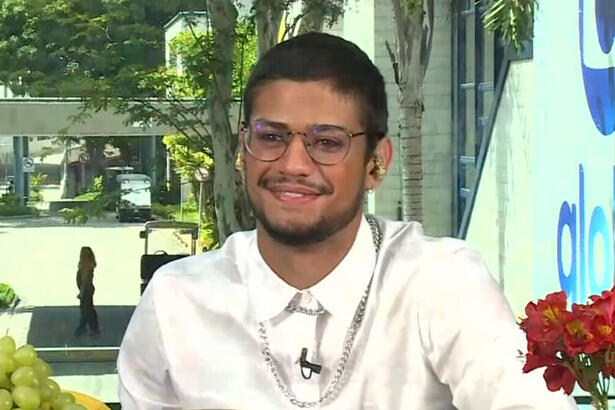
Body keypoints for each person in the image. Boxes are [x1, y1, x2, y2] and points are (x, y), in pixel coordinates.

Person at [117, 33, 576, 409]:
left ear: (376, 163)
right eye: (271, 136)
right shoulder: (177, 301)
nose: (293, 163)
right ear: (243, 151)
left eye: (327, 142)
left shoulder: (439, 283)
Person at [74, 246, 100, 337]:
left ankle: (87, 328)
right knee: (87, 308)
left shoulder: (86, 267)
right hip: (88, 290)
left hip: (86, 290)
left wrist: (81, 292)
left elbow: (84, 281)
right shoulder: (88, 266)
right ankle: (87, 327)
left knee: (87, 309)